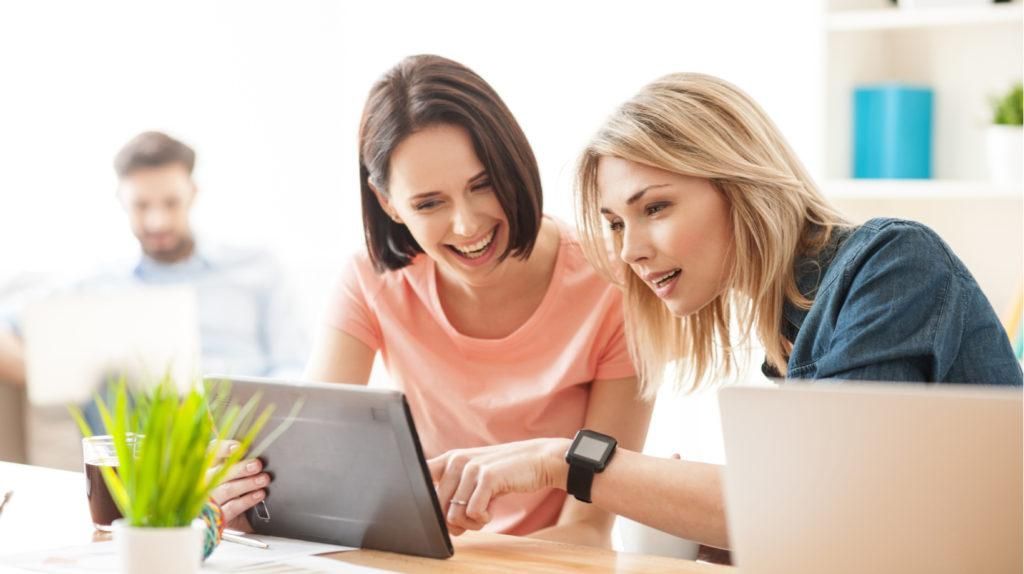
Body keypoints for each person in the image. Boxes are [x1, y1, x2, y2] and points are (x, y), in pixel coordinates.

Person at [424, 73, 1024, 550]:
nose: (629, 249)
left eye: (655, 207)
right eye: (614, 223)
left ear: (739, 186)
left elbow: (826, 514)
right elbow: (832, 522)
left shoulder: (892, 264)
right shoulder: (790, 326)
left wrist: (562, 459)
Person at [217, 55, 652, 546]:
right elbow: (313, 470)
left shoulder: (615, 284)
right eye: (428, 203)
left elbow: (588, 526)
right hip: (421, 554)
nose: (467, 225)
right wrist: (246, 498)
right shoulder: (372, 278)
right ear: (388, 204)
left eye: (482, 185)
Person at [0, 131, 307, 388]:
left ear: (193, 193)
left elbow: (293, 366)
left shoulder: (257, 267)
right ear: (121, 201)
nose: (157, 222)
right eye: (141, 206)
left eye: (171, 203)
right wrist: (53, 381)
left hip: (244, 441)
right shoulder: (95, 283)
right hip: (144, 448)